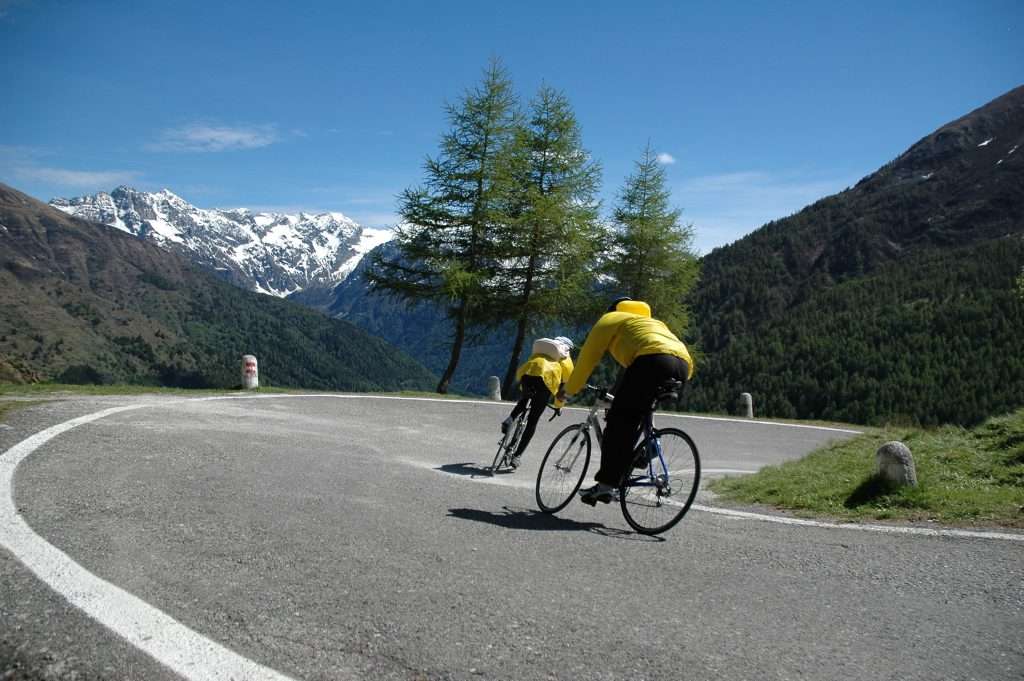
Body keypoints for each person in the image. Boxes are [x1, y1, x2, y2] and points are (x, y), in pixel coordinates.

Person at [559, 298, 693, 505]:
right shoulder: (651, 324)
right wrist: (616, 395)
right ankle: (651, 444)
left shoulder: (611, 319)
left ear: (612, 310)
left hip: (651, 361)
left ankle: (606, 486)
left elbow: (588, 358)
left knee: (619, 422)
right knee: (639, 408)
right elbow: (629, 372)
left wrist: (568, 390)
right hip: (683, 365)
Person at [500, 336, 575, 470]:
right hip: (546, 381)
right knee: (532, 420)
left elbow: (531, 365)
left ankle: (510, 419)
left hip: (527, 373)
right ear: (569, 349)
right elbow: (562, 391)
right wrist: (558, 407)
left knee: (523, 401)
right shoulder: (567, 361)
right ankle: (517, 456)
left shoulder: (544, 348)